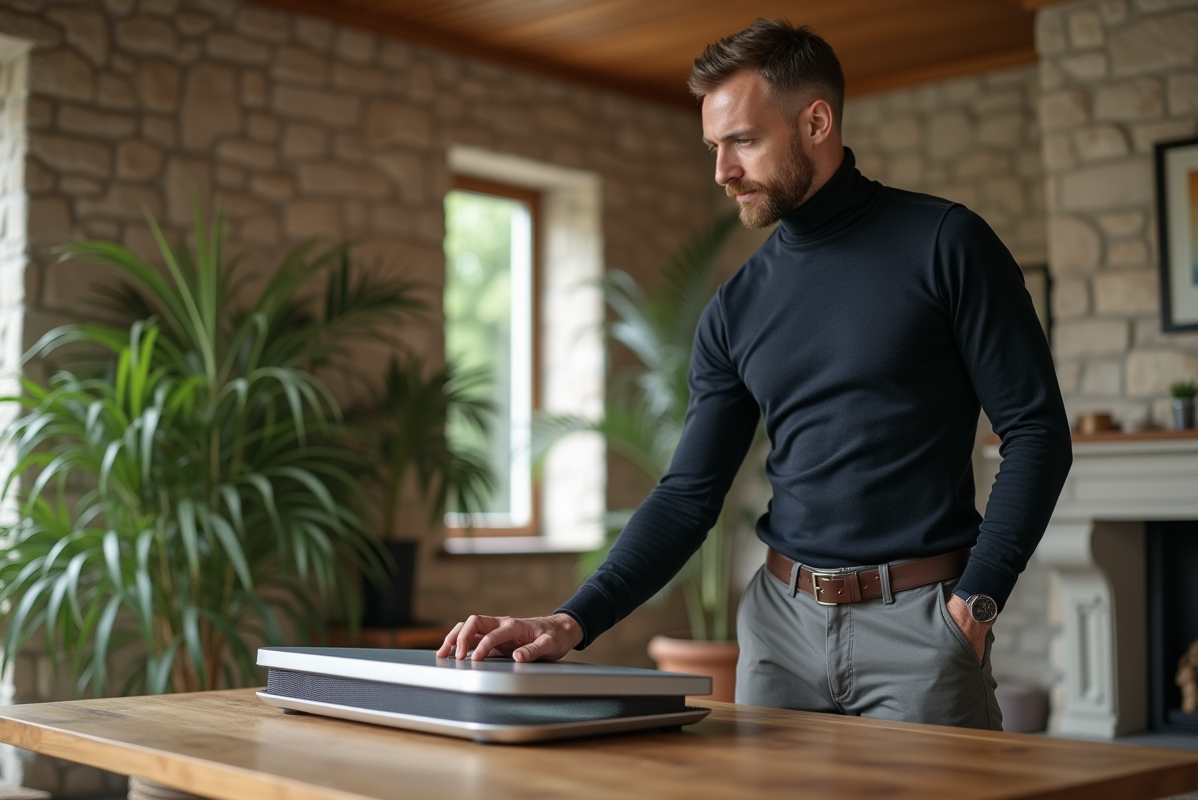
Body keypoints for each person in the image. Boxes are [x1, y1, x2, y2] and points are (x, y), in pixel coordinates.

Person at [436, 19, 1072, 730]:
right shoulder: (735, 308)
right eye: (714, 146)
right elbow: (687, 497)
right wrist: (570, 620)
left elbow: (1036, 431)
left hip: (922, 628)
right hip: (778, 634)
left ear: (816, 122)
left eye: (742, 141)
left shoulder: (946, 244)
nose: (722, 171)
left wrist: (976, 604)